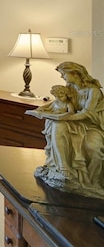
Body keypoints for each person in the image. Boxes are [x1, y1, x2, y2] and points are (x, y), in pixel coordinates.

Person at [33, 62, 104, 198]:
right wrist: (42, 110)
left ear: (75, 74)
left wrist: (62, 118)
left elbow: (86, 114)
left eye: (64, 74)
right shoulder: (70, 87)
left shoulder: (93, 91)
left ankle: (92, 182)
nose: (62, 77)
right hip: (74, 122)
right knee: (57, 126)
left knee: (93, 148)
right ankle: (63, 167)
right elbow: (60, 102)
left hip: (92, 125)